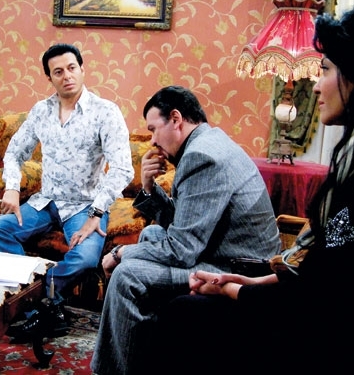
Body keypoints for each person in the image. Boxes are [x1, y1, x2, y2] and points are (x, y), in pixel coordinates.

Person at [152, 0, 354, 374]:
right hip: (335, 319)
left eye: (326, 70)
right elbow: (328, 268)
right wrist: (254, 280)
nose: (316, 86)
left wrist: (234, 290)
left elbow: (323, 298)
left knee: (184, 316)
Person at [91, 85, 281, 375]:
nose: (153, 141)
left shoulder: (201, 157)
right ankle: (148, 353)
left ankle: (114, 370)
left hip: (237, 267)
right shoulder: (208, 142)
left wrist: (119, 253)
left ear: (176, 119)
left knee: (126, 276)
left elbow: (182, 250)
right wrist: (148, 187)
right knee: (150, 235)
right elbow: (185, 224)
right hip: (226, 250)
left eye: (154, 129)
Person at [0, 43, 134, 338]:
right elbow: (14, 153)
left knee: (85, 259)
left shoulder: (105, 112)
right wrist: (12, 188)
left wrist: (96, 213)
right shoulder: (41, 111)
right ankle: (45, 307)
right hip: (46, 202)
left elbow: (123, 169)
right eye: (58, 72)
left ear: (82, 69)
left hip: (85, 205)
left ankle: (35, 301)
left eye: (72, 68)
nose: (67, 76)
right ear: (49, 77)